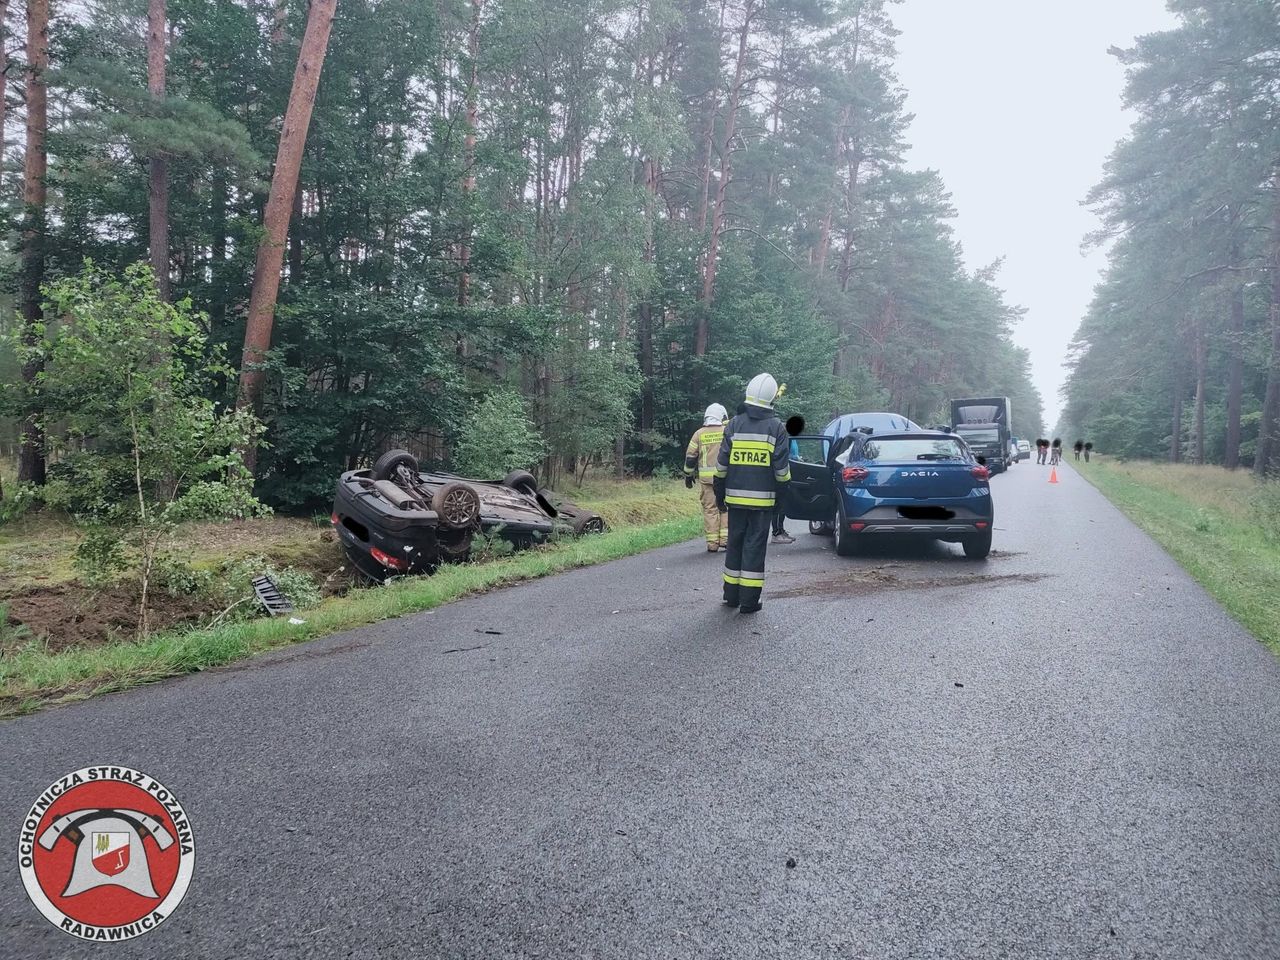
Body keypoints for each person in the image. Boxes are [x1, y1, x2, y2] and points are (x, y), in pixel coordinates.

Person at [713, 373, 791, 614]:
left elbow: (721, 465)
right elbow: (781, 471)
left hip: (734, 501)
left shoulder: (734, 424)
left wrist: (719, 494)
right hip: (762, 503)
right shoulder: (776, 428)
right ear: (770, 399)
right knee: (754, 547)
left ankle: (731, 596)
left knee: (734, 544)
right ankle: (749, 601)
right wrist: (782, 497)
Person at [683, 403, 729, 552]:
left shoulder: (699, 434)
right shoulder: (727, 431)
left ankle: (712, 543)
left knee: (710, 510)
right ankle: (725, 540)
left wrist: (688, 475)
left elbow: (690, 457)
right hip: (726, 479)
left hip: (707, 481)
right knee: (726, 507)